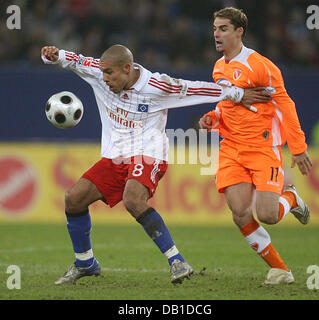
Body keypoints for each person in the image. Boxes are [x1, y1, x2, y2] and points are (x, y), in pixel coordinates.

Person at [41, 44, 271, 285]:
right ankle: (85, 263)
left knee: (133, 200)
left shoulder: (157, 86)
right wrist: (55, 56)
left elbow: (195, 89)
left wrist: (238, 94)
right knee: (73, 199)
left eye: (111, 73)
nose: (105, 78)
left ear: (127, 68)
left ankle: (177, 261)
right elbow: (75, 60)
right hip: (115, 156)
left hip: (149, 154)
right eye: (104, 72)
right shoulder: (98, 71)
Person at [199, 7, 313, 284]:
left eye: (223, 28)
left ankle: (293, 198)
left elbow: (285, 104)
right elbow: (227, 104)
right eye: (215, 28)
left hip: (262, 148)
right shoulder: (219, 67)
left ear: (239, 32)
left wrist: (297, 147)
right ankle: (280, 270)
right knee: (239, 212)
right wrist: (213, 118)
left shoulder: (262, 66)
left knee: (268, 215)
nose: (216, 33)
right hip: (231, 148)